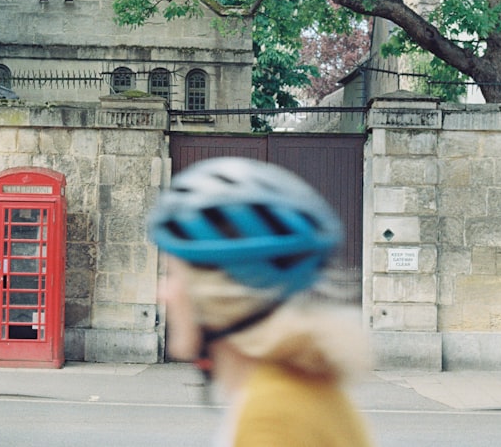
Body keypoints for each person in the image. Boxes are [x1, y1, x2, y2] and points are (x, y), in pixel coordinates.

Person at [149, 156, 373, 446]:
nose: (162, 293)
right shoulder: (287, 391)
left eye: (172, 274)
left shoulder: (276, 417)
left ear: (220, 294)